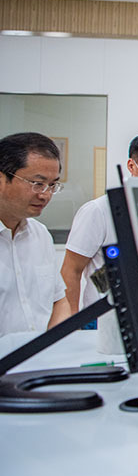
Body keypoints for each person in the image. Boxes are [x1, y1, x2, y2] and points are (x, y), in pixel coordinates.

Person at [60, 133, 138, 315]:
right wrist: (71, 323)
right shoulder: (98, 210)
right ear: (131, 166)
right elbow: (71, 270)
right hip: (104, 316)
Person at [0, 132, 70, 336]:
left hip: (42, 355)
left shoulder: (40, 235)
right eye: (37, 183)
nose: (45, 195)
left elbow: (59, 301)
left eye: (52, 185)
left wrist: (54, 345)